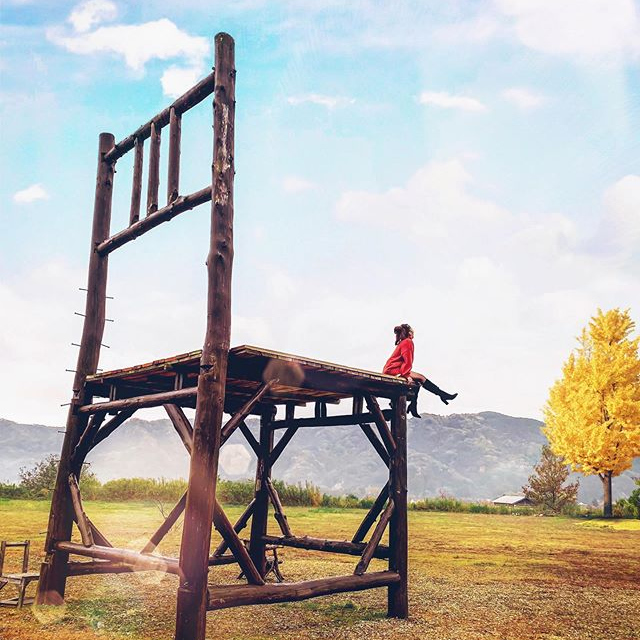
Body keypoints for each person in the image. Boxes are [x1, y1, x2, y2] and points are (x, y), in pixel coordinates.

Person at [383, 323, 457, 418]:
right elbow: (407, 360)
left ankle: (414, 405)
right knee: (421, 378)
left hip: (391, 369)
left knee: (419, 380)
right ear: (409, 332)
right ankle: (441, 395)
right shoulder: (408, 342)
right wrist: (406, 375)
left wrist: (406, 374)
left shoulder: (403, 342)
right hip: (393, 370)